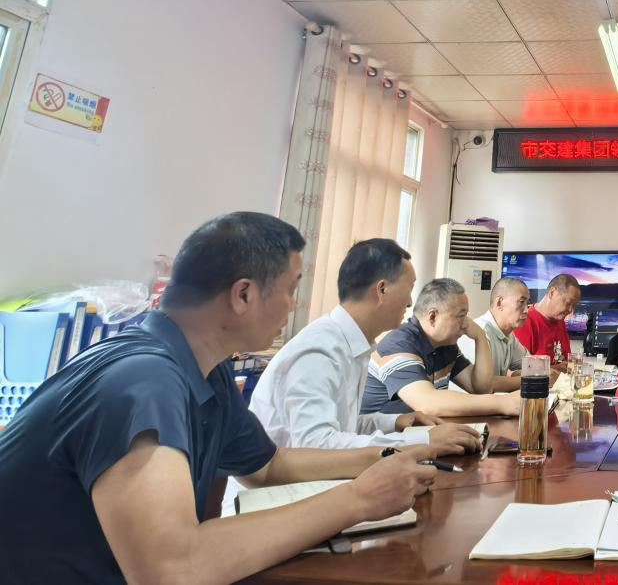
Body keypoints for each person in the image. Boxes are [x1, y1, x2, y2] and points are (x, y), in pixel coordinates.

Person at [0, 212, 453, 584]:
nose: (293, 305)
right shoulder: (143, 381)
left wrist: (390, 457)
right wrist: (358, 500)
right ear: (243, 294)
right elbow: (173, 571)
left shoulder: (206, 368)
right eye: (291, 289)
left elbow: (267, 466)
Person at [248, 238, 483, 450]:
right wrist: (422, 440)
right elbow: (317, 445)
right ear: (382, 289)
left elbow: (344, 426)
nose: (411, 302)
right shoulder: (320, 350)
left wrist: (396, 421)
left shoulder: (354, 344)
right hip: (287, 485)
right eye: (409, 288)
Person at [361, 277, 519, 418]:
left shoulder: (445, 345)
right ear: (433, 316)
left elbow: (481, 388)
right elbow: (427, 403)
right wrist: (504, 403)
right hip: (380, 438)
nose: (466, 323)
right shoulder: (399, 345)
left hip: (415, 433)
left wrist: (480, 337)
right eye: (461, 315)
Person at [456, 276, 531, 392]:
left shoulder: (509, 335)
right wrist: (528, 379)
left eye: (527, 303)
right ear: (499, 302)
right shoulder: (478, 333)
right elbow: (483, 385)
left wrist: (521, 374)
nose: (526, 310)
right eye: (521, 302)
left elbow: (531, 365)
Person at [514, 273, 580, 366]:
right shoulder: (525, 322)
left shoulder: (559, 321)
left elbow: (566, 362)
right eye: (568, 303)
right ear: (552, 293)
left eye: (574, 305)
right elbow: (519, 370)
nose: (570, 310)